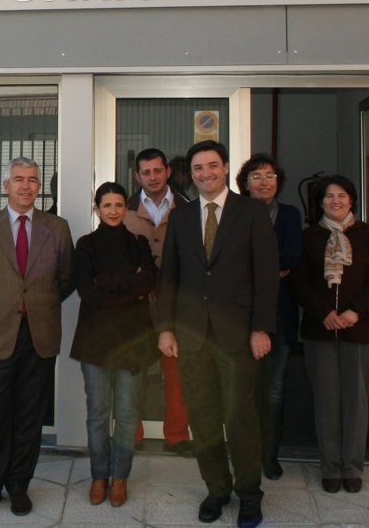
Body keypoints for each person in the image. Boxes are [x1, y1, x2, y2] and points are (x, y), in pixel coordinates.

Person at [155, 140, 278, 528]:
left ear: (225, 168)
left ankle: (249, 494)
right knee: (204, 418)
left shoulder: (252, 211)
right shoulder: (181, 216)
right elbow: (169, 276)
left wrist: (261, 328)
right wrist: (165, 328)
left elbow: (266, 275)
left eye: (212, 166)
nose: (205, 173)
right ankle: (217, 489)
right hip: (192, 336)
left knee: (240, 417)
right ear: (190, 175)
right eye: (198, 168)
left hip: (238, 336)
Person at [0, 157, 75, 519]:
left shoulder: (57, 228)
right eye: (19, 179)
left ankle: (19, 485)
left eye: (33, 180)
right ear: (6, 185)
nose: (26, 186)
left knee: (29, 415)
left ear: (39, 187)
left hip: (39, 335)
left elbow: (67, 278)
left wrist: (37, 305)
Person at [292, 175, 369, 494]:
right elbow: (299, 281)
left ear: (352, 200)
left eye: (342, 195)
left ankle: (352, 467)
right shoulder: (309, 237)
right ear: (320, 202)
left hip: (361, 330)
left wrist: (354, 312)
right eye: (329, 196)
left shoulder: (368, 235)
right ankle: (331, 466)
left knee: (356, 402)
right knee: (326, 401)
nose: (335, 201)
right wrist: (324, 313)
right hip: (320, 330)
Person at [70, 181, 158, 508]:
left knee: (127, 414)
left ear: (126, 208)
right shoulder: (86, 245)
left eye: (119, 205)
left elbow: (148, 281)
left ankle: (120, 477)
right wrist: (129, 290)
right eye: (106, 205)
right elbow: (86, 291)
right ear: (97, 209)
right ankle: (99, 476)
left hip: (132, 341)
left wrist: (107, 282)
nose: (113, 211)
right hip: (95, 342)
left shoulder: (138, 243)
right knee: (97, 413)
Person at [235, 153, 302, 480]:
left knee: (274, 392)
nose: (264, 182)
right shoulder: (235, 214)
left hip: (280, 317)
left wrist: (258, 263)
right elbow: (232, 261)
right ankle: (245, 454)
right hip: (241, 318)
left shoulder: (289, 215)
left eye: (270, 176)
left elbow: (293, 255)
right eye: (257, 176)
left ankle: (269, 456)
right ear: (245, 183)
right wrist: (271, 267)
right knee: (244, 392)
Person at [122, 149, 193, 456]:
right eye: (146, 172)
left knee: (176, 373)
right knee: (134, 372)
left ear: (168, 172)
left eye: (157, 171)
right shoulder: (124, 210)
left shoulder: (187, 209)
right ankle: (132, 434)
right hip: (136, 304)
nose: (152, 177)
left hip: (176, 303)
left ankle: (177, 436)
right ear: (137, 176)